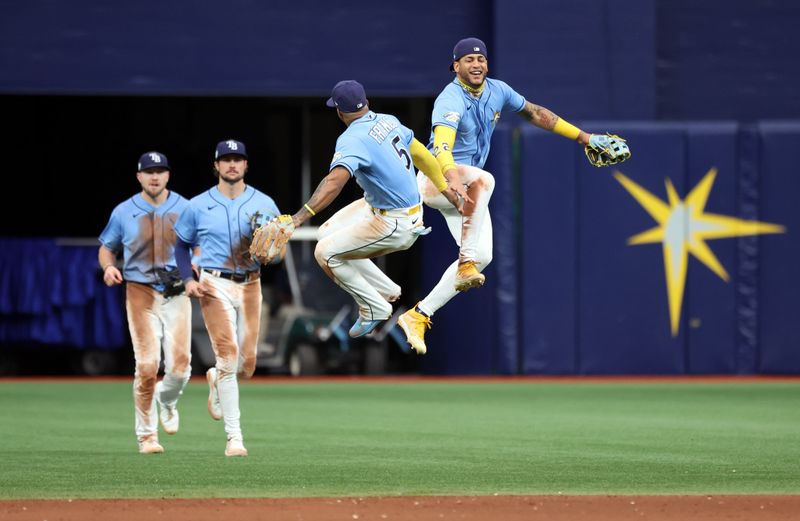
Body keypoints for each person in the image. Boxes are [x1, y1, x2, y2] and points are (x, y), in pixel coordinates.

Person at [398, 37, 630, 355]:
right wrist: (449, 179)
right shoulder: (449, 100)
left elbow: (535, 113)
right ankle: (465, 263)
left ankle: (419, 314)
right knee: (486, 180)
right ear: (455, 66)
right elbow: (441, 147)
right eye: (468, 60)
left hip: (466, 189)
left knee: (485, 256)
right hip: (437, 180)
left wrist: (584, 137)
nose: (476, 64)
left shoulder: (498, 90)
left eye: (480, 59)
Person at [270, 80, 465, 338]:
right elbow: (421, 154)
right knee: (325, 233)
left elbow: (333, 183)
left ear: (339, 112)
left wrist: (298, 218)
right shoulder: (388, 120)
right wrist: (444, 187)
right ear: (367, 103)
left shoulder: (351, 139)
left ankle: (374, 307)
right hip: (388, 207)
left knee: (325, 254)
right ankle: (385, 289)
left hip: (395, 223)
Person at [173, 139, 281, 457]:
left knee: (247, 365)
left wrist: (273, 251)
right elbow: (181, 246)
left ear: (246, 165)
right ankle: (234, 438)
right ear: (216, 166)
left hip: (251, 284)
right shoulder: (197, 205)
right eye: (226, 160)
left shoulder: (265, 204)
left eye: (238, 159)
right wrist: (186, 280)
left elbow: (278, 251)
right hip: (213, 283)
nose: (232, 164)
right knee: (227, 355)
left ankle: (216, 380)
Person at [98, 151, 192, 455]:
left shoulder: (185, 207)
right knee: (147, 365)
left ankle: (168, 401)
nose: (155, 176)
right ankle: (147, 436)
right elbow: (106, 247)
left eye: (160, 170)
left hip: (176, 290)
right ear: (139, 176)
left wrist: (198, 268)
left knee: (180, 366)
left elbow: (202, 244)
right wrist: (108, 267)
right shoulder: (124, 211)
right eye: (149, 171)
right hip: (140, 290)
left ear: (168, 175)